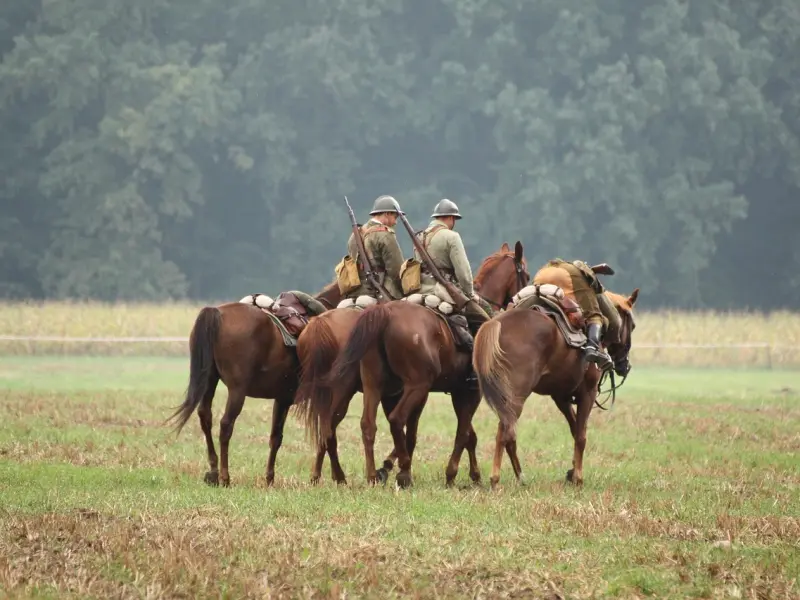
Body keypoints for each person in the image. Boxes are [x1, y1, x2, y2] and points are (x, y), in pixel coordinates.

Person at [415, 199, 491, 385]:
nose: (454, 222)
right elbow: (464, 273)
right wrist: (469, 293)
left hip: (420, 291)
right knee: (485, 321)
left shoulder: (419, 236)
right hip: (444, 290)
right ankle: (477, 369)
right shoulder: (451, 237)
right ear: (449, 218)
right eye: (454, 219)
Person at [533, 258, 621, 370]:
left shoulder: (550, 270)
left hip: (542, 273)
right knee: (593, 315)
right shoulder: (581, 274)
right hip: (567, 273)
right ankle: (592, 347)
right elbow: (614, 320)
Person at [343, 195, 405, 301]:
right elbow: (396, 270)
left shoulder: (355, 234)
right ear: (387, 214)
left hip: (355, 292)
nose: (395, 222)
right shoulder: (385, 234)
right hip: (379, 290)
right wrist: (405, 290)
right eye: (395, 217)